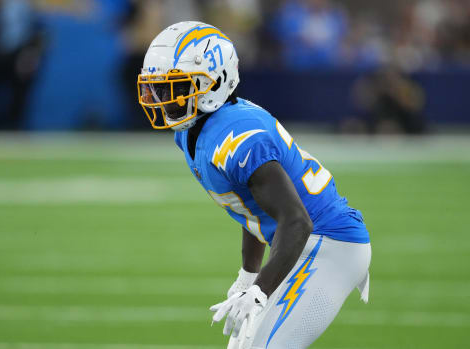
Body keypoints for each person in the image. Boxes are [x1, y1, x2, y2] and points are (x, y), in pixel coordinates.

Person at [137, 21, 371, 349]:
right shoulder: (192, 131)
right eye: (158, 87)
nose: (161, 97)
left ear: (214, 82)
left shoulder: (235, 137)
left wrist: (260, 290)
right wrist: (248, 275)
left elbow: (296, 220)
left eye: (173, 86)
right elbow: (254, 208)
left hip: (327, 244)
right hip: (298, 245)